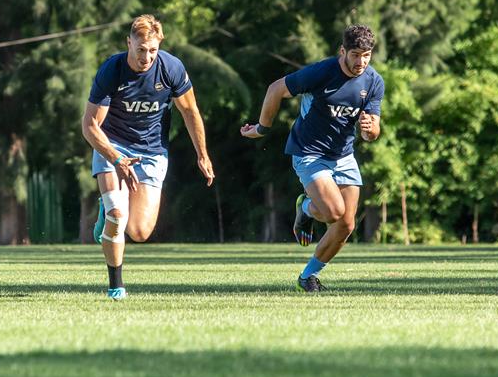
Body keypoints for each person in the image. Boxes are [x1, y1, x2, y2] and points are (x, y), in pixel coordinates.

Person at [241, 24, 384, 292]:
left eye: (366, 55)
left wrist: (370, 129)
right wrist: (262, 128)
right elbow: (275, 89)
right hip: (309, 152)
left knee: (346, 224)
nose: (361, 62)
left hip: (344, 155)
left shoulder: (374, 81)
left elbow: (372, 132)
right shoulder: (321, 72)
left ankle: (308, 277)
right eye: (355, 54)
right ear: (343, 51)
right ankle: (306, 208)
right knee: (333, 212)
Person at [83, 15, 214, 300]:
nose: (146, 57)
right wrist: (117, 159)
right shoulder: (112, 71)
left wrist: (202, 155)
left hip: (152, 152)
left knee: (140, 231)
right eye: (141, 49)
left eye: (152, 50)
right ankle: (115, 285)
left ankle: (106, 209)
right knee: (118, 215)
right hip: (112, 145)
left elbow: (190, 112)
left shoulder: (171, 69)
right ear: (128, 42)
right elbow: (90, 126)